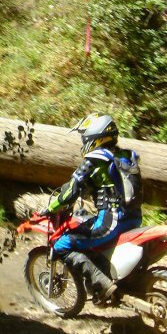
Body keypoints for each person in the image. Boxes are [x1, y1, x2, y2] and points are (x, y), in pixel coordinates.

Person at [45, 114, 143, 304]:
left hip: (110, 222)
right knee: (88, 230)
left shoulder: (94, 160)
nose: (83, 141)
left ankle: (103, 284)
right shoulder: (126, 155)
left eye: (84, 137)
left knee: (62, 245)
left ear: (94, 137)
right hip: (134, 218)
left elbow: (71, 191)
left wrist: (51, 206)